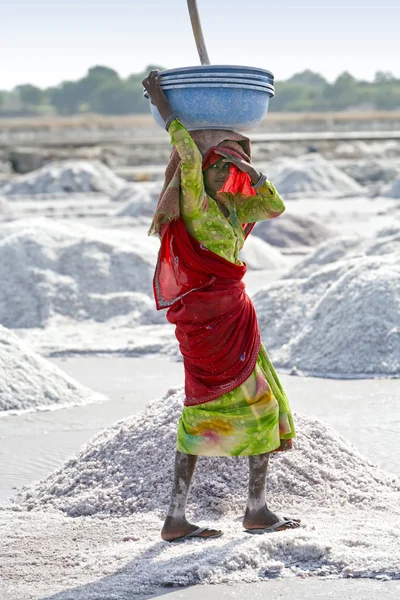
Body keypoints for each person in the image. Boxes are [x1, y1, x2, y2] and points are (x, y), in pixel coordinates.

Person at [143, 70, 300, 542]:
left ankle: (248, 510)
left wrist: (255, 174)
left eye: (227, 168)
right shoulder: (196, 205)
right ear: (203, 169)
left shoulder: (234, 207)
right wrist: (163, 104)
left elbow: (274, 208)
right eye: (218, 166)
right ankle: (191, 515)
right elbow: (187, 155)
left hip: (234, 317)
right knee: (207, 410)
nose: (221, 174)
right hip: (206, 320)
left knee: (259, 405)